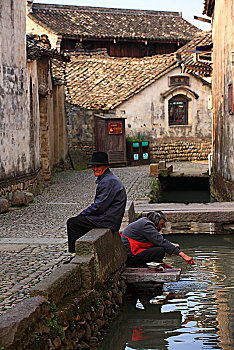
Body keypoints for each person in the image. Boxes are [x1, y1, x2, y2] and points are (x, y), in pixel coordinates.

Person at [67, 151, 127, 253]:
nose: (95, 169)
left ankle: (76, 253)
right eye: (93, 166)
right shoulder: (108, 178)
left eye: (98, 166)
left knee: (73, 223)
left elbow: (99, 206)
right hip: (110, 218)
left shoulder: (108, 181)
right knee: (80, 221)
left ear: (105, 166)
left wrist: (83, 213)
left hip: (108, 220)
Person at [121, 211, 195, 267]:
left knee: (158, 248)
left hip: (131, 255)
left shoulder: (143, 222)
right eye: (161, 225)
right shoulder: (146, 225)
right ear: (156, 221)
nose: (160, 228)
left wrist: (163, 264)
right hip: (130, 258)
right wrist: (183, 255)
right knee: (160, 250)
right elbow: (161, 241)